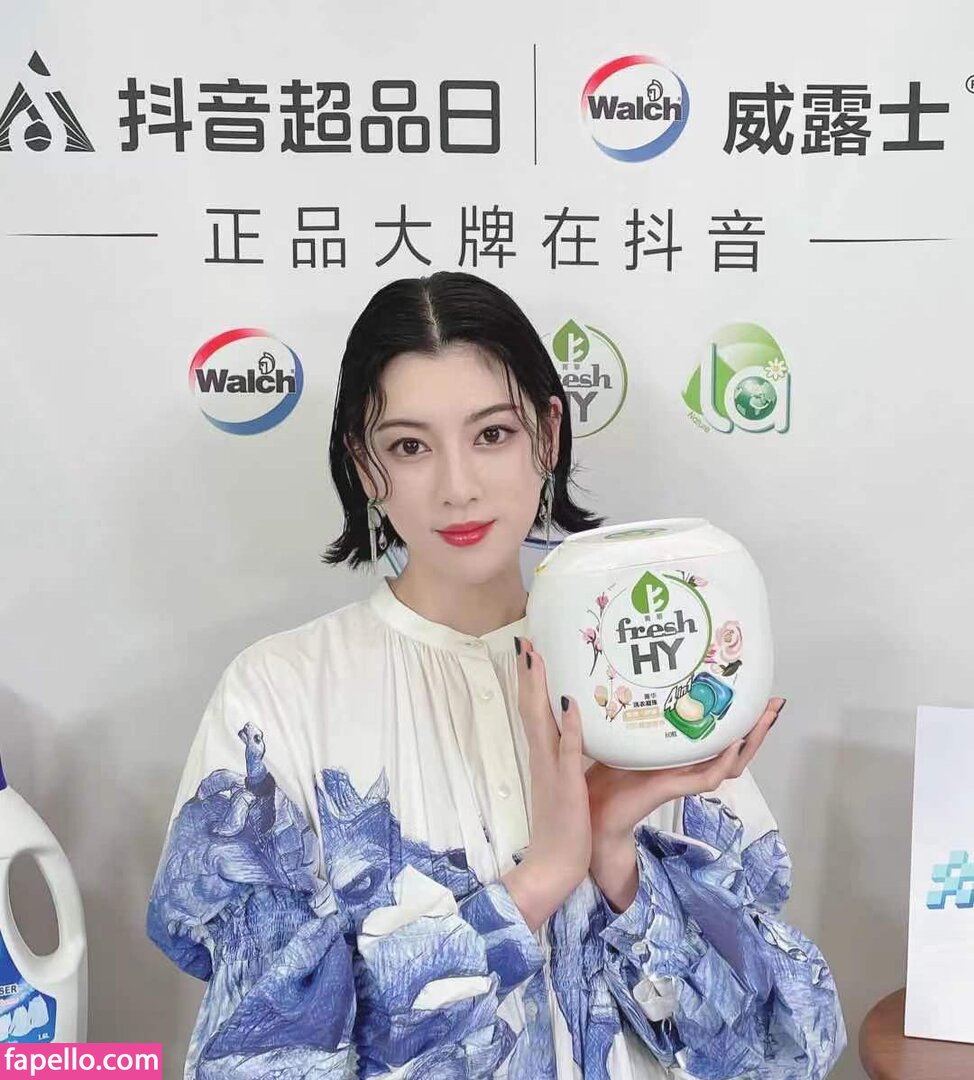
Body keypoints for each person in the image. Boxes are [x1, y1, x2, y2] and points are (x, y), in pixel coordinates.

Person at [147, 271, 847, 1079]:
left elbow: (781, 1051)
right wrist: (541, 879)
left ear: (547, 436)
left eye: (492, 434)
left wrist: (615, 854)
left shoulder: (643, 672)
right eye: (410, 447)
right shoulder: (280, 696)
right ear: (365, 466)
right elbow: (260, 1060)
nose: (458, 487)